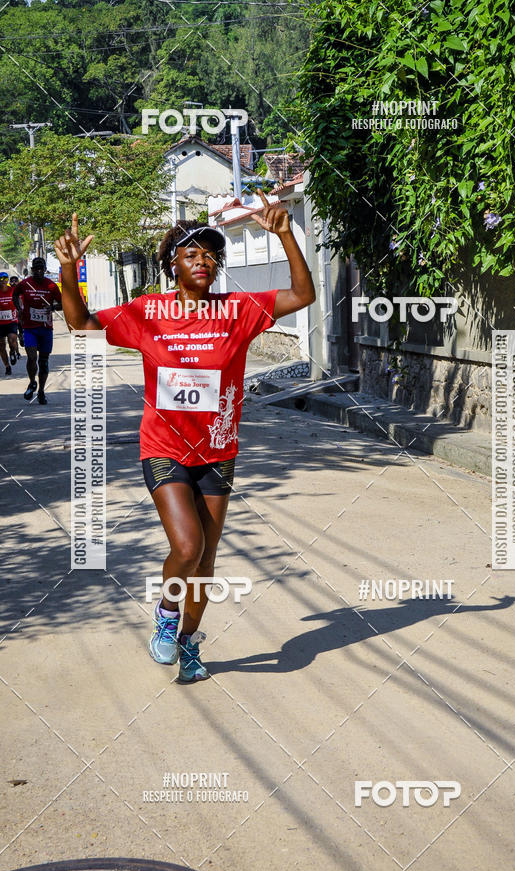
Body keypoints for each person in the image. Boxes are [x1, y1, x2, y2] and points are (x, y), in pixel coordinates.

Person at [55, 195, 315, 683]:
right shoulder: (148, 311)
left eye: (211, 255)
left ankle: (190, 643)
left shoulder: (239, 309)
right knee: (188, 546)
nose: (203, 261)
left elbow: (302, 296)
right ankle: (167, 615)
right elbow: (81, 324)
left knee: (206, 560)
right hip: (164, 449)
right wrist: (69, 273)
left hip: (218, 453)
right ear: (171, 264)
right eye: (191, 254)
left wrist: (284, 234)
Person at [12, 258, 62, 404]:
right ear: (33, 269)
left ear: (45, 269)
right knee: (32, 357)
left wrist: (52, 308)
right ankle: (32, 382)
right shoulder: (25, 283)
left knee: (44, 361)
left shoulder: (51, 286)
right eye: (36, 269)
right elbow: (15, 294)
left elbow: (62, 303)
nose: (39, 271)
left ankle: (41, 391)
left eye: (42, 269)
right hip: (29, 328)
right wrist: (18, 308)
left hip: (45, 328)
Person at [0, 272, 19, 375]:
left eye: (5, 278)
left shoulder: (12, 291)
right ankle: (7, 366)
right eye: (1, 279)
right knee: (1, 345)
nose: (3, 281)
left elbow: (19, 302)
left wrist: (20, 311)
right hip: (0, 323)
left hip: (11, 321)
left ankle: (12, 351)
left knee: (12, 340)